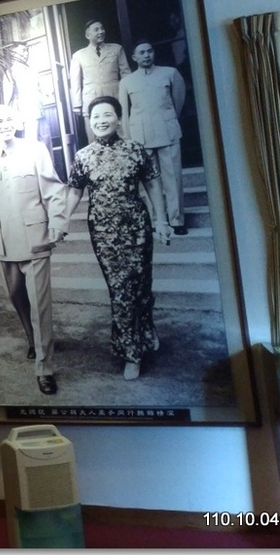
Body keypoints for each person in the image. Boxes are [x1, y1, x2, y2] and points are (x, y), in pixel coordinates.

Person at [64, 96, 170, 381]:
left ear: (118, 119)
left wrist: (161, 220)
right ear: (90, 121)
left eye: (107, 115)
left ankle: (146, 329)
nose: (101, 121)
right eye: (96, 116)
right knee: (120, 290)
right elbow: (74, 190)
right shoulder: (83, 156)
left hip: (137, 228)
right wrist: (62, 220)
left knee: (142, 286)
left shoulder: (135, 150)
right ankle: (131, 353)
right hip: (103, 233)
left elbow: (153, 183)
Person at [0, 104, 69, 395]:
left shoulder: (35, 149)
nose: (4, 124)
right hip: (2, 240)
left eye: (9, 119)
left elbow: (53, 190)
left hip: (34, 238)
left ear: (16, 122)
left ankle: (44, 368)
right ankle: (33, 339)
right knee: (15, 296)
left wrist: (57, 222)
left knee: (40, 305)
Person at [118, 41, 189, 235]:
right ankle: (158, 219)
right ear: (134, 57)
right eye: (141, 52)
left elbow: (178, 100)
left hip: (167, 131)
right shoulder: (127, 82)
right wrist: (128, 139)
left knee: (173, 177)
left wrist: (168, 119)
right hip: (141, 136)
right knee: (149, 181)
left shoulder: (170, 73)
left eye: (149, 51)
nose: (146, 55)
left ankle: (177, 220)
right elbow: (124, 112)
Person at [69, 19, 131, 142]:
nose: (101, 32)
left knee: (122, 134)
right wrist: (77, 105)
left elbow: (126, 74)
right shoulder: (79, 56)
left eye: (102, 28)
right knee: (94, 138)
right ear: (88, 35)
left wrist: (131, 95)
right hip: (91, 100)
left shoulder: (116, 49)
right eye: (96, 30)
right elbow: (75, 83)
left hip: (115, 97)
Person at [1, 41, 43, 141]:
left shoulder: (32, 70)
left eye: (27, 50)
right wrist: (14, 119)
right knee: (31, 143)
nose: (26, 53)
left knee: (45, 141)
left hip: (40, 112)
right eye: (23, 51)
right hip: (26, 115)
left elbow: (39, 90)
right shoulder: (10, 73)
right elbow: (8, 99)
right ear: (14, 54)